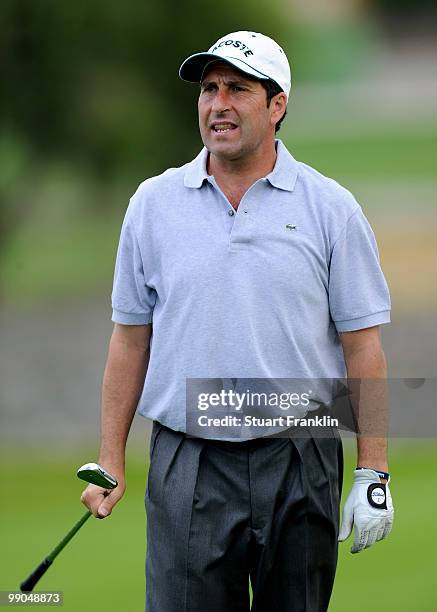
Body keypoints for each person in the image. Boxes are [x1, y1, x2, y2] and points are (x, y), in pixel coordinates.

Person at [81, 31, 394, 612]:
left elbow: (363, 347)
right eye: (208, 89)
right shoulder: (152, 204)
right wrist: (111, 458)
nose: (217, 103)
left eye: (238, 89)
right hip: (188, 459)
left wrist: (373, 474)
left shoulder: (331, 209)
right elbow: (130, 340)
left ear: (277, 106)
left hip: (302, 456)